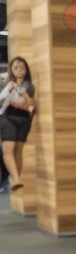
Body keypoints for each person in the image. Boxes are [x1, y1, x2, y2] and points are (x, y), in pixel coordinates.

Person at [0, 57, 36, 191]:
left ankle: (16, 180)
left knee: (18, 151)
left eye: (22, 67)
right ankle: (15, 179)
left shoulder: (30, 86)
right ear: (11, 70)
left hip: (24, 119)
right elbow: (3, 99)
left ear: (26, 70)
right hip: (6, 116)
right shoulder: (8, 84)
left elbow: (32, 107)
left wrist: (25, 106)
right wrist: (26, 103)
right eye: (16, 67)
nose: (19, 70)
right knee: (8, 149)